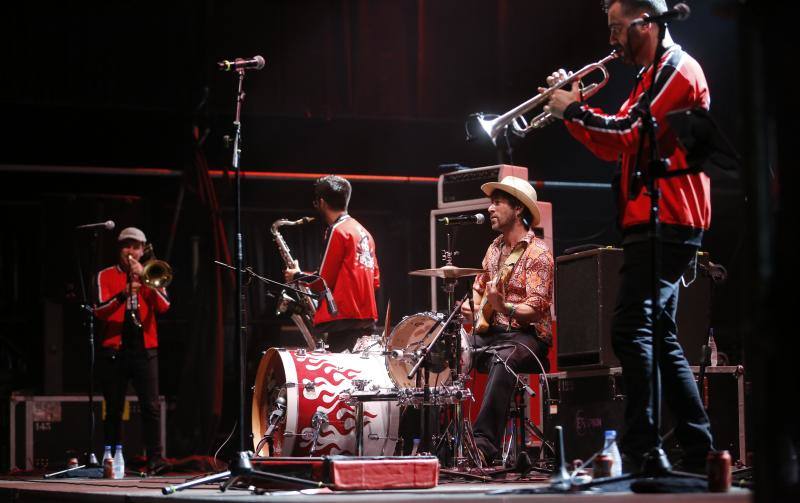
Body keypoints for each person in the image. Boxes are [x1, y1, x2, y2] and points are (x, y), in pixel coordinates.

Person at [542, 0, 714, 472]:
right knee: (660, 336)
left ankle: (644, 449)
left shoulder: (678, 69)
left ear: (646, 23)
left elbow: (629, 133)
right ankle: (699, 449)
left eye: (618, 29)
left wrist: (574, 110)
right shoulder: (646, 76)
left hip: (668, 219)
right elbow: (611, 146)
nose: (612, 39)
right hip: (653, 221)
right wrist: (570, 110)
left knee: (629, 329)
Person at [461, 175, 553, 465]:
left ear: (518, 209)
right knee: (452, 351)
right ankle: (437, 441)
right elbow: (480, 287)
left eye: (497, 202)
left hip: (529, 338)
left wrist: (506, 307)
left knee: (504, 358)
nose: (490, 208)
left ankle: (484, 444)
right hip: (495, 333)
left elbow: (537, 309)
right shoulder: (494, 249)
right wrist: (474, 309)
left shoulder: (539, 253)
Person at [94, 227, 170, 475]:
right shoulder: (105, 275)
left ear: (142, 250)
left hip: (144, 349)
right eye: (126, 246)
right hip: (114, 349)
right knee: (113, 407)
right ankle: (114, 458)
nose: (131, 251)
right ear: (120, 249)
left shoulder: (150, 273)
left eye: (135, 246)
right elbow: (98, 311)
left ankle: (156, 460)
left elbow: (165, 306)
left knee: (150, 407)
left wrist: (146, 281)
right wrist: (122, 295)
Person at [284, 175, 380, 352]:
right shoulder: (365, 232)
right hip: (366, 318)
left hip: (343, 320)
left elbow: (323, 281)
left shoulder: (337, 230)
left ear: (321, 202)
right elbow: (375, 281)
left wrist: (296, 275)